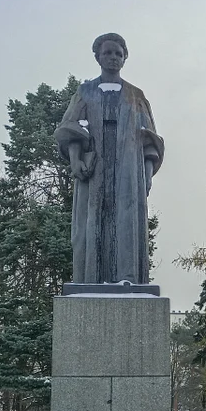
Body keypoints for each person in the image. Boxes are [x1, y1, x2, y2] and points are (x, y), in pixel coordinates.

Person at [55, 32, 164, 284]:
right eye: (108, 53)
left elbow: (149, 138)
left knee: (127, 225)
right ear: (98, 57)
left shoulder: (136, 96)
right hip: (93, 174)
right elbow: (72, 129)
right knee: (91, 225)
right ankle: (90, 280)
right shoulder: (85, 92)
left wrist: (146, 173)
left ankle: (128, 280)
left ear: (125, 58)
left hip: (128, 174)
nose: (113, 57)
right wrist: (75, 160)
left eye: (118, 53)